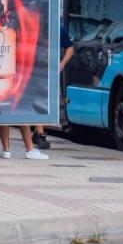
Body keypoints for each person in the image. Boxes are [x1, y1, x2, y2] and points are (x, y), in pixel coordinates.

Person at [33, 21, 75, 150]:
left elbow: (70, 48)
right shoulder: (33, 25)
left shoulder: (57, 28)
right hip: (34, 70)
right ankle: (40, 135)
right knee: (39, 100)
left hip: (49, 71)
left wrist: (61, 64)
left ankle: (37, 133)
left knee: (46, 101)